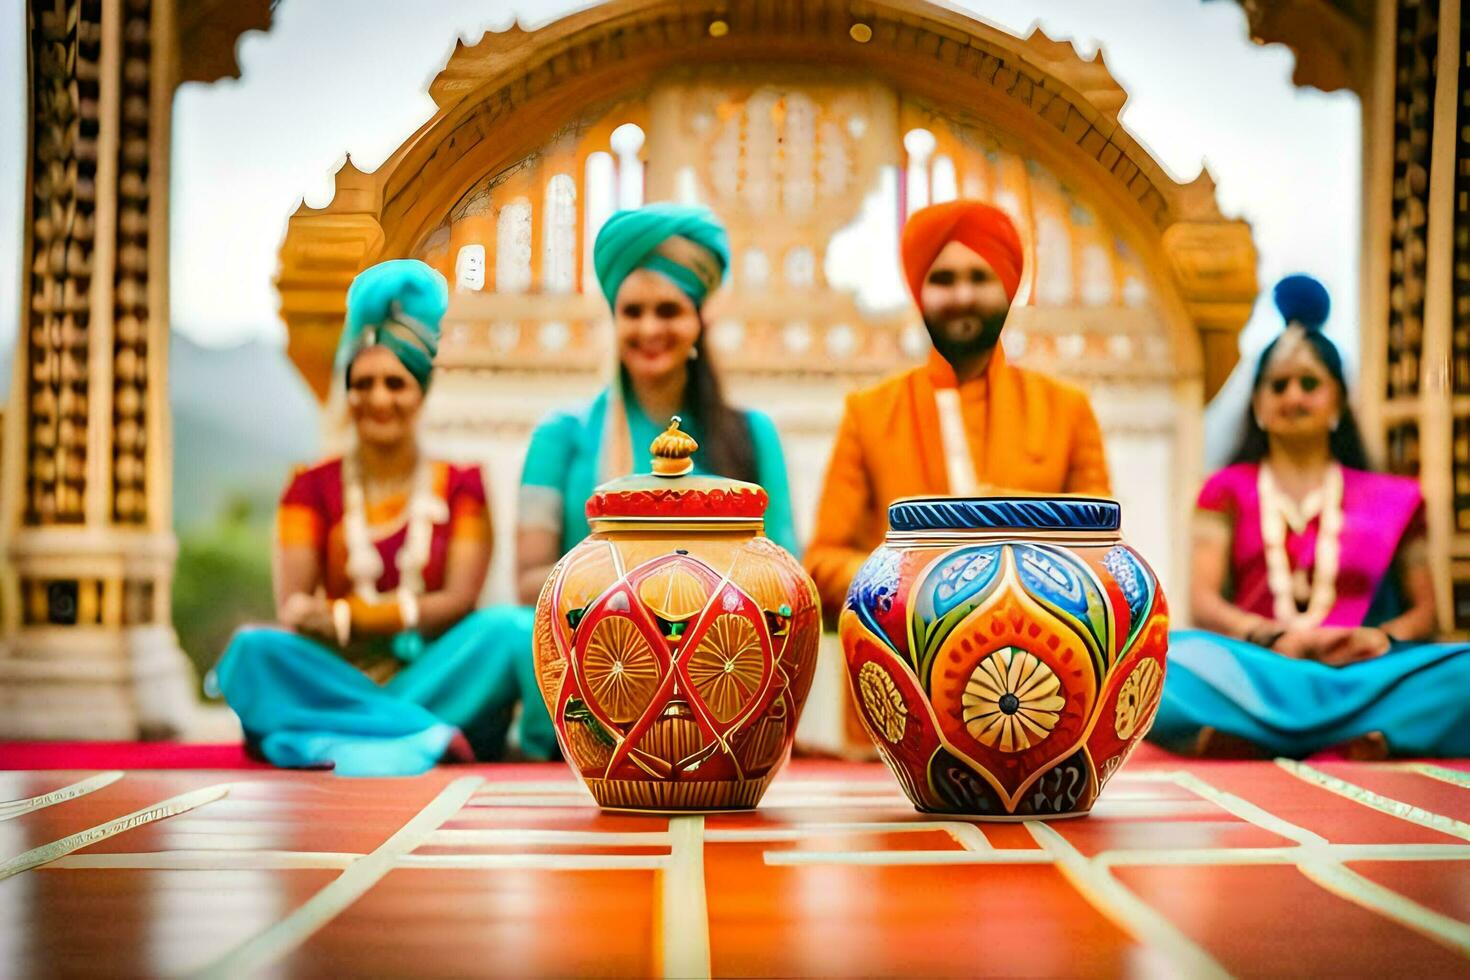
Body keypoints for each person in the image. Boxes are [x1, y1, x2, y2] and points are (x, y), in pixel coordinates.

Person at [211, 259, 556, 776]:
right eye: (363, 382)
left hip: (436, 678)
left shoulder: (462, 484)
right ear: (347, 391)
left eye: (395, 383)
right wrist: (329, 624)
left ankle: (333, 731)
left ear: (421, 392)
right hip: (338, 674)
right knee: (251, 651)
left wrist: (352, 618)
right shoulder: (310, 487)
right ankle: (419, 733)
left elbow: (459, 600)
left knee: (508, 628)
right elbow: (296, 610)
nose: (378, 399)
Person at [1151, 274, 1470, 758]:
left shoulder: (1397, 497)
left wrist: (1378, 639)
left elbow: (1426, 611)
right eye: (1278, 386)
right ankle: (1365, 736)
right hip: (1261, 668)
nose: (1293, 397)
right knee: (1163, 661)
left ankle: (1260, 738)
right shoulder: (1225, 489)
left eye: (1310, 384)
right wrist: (1274, 637)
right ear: (1258, 405)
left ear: (1338, 401)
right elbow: (1202, 600)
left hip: (1361, 672)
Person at [803, 199, 1111, 618]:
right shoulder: (869, 412)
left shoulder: (1067, 409)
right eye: (944, 280)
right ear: (920, 291)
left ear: (1007, 286)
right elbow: (822, 564)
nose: (962, 295)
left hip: (1040, 662)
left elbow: (1104, 552)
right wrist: (920, 581)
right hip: (901, 665)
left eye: (979, 277)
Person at [516, 203, 797, 601]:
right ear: (614, 320)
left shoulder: (754, 435)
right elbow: (529, 586)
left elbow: (785, 576)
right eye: (633, 312)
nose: (649, 328)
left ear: (699, 322)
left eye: (668, 311)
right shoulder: (559, 435)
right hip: (592, 650)